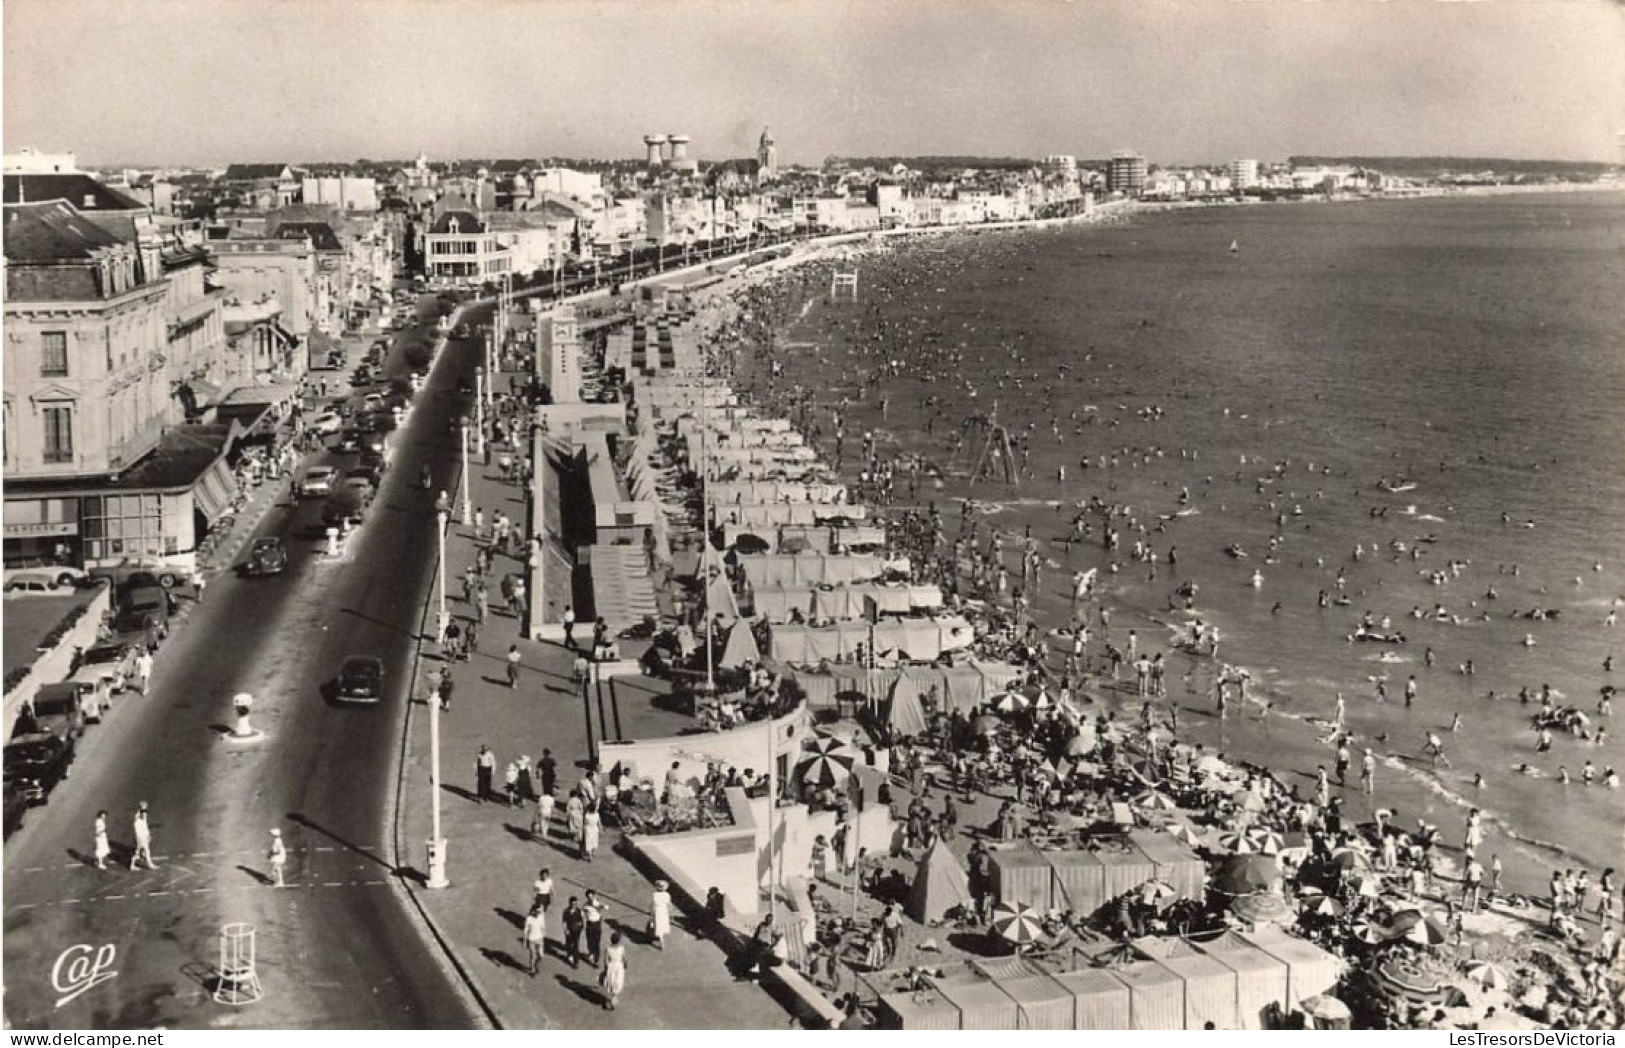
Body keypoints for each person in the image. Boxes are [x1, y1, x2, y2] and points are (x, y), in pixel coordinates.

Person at [600, 931, 627, 1011]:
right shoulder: (621, 948)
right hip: (618, 967)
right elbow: (624, 958)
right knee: (618, 982)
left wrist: (605, 970)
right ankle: (613, 999)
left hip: (611, 967)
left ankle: (612, 998)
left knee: (611, 982)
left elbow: (605, 961)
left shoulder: (607, 949)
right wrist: (625, 964)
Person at [562, 896, 586, 968]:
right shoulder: (566, 911)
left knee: (576, 945)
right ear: (570, 904)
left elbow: (582, 920)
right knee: (569, 944)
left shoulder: (578, 911)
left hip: (576, 931)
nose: (574, 905)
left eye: (575, 904)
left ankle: (576, 961)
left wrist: (582, 926)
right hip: (569, 930)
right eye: (572, 904)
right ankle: (569, 955)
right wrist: (566, 930)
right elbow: (564, 922)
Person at [583, 890, 605, 964]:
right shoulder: (585, 905)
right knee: (589, 941)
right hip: (589, 924)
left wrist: (599, 906)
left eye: (591, 896)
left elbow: (604, 907)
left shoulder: (597, 903)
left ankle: (596, 957)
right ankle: (591, 953)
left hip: (596, 924)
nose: (590, 898)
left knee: (596, 941)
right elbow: (583, 913)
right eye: (588, 897)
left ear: (594, 896)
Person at [131, 802, 155, 870]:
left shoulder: (141, 819)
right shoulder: (138, 819)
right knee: (146, 850)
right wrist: (142, 809)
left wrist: (148, 835)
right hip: (141, 837)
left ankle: (132, 865)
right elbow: (142, 828)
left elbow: (145, 827)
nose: (145, 815)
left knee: (137, 852)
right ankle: (150, 865)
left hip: (142, 836)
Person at [649, 880, 672, 950]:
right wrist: (669, 912)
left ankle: (661, 943)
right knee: (662, 924)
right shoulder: (667, 895)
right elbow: (669, 904)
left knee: (657, 925)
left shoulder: (655, 895)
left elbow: (653, 905)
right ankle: (659, 936)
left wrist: (651, 913)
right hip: (664, 911)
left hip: (657, 911)